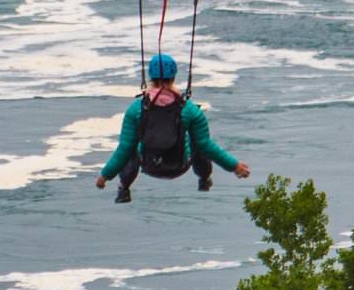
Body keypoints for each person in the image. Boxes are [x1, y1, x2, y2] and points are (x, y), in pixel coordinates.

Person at [94, 53, 249, 203]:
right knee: (198, 143)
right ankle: (204, 178)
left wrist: (105, 176)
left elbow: (124, 149)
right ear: (174, 77)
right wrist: (234, 166)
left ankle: (124, 188)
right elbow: (206, 146)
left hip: (149, 164)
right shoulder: (189, 110)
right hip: (179, 165)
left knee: (132, 147)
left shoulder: (136, 110)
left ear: (150, 78)